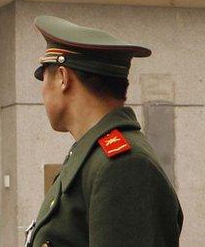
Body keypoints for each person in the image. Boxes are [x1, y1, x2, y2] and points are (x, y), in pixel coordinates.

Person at [26, 15, 182, 247]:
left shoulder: (124, 166)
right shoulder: (92, 158)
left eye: (44, 77)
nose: (42, 92)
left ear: (62, 77)